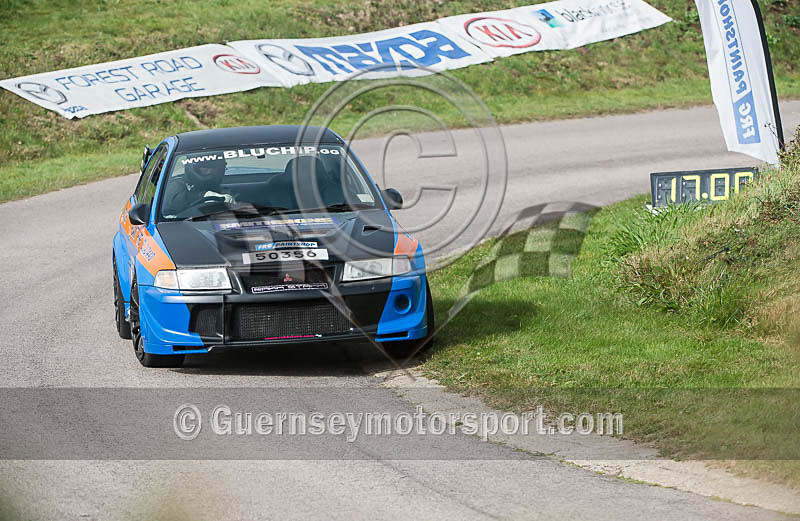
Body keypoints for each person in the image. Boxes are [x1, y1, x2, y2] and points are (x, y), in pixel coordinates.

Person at [161, 154, 235, 217]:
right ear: (193, 167)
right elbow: (172, 202)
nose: (211, 170)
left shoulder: (224, 191)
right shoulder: (176, 185)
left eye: (215, 166)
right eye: (205, 166)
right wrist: (205, 195)